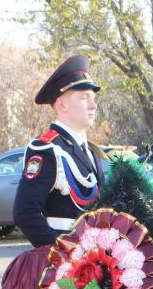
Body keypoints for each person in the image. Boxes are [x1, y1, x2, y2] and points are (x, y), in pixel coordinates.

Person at [13, 55, 105, 248]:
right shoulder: (48, 149)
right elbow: (25, 212)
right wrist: (61, 251)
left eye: (93, 98)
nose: (93, 105)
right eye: (84, 98)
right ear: (62, 104)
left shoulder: (90, 151)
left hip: (94, 259)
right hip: (66, 270)